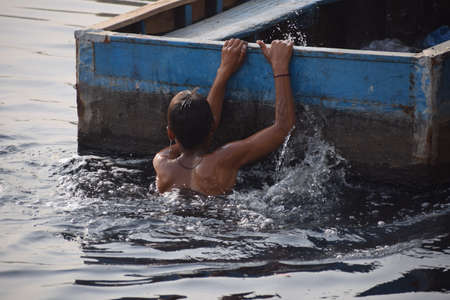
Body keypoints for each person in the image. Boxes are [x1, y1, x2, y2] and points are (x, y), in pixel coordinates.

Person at [153, 38, 296, 195]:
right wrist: (280, 67)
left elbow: (203, 128)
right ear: (212, 127)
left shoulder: (161, 163)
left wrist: (224, 71)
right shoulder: (223, 160)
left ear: (170, 133)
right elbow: (283, 128)